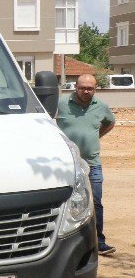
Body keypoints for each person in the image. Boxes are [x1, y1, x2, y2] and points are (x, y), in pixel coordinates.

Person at [56, 73, 116, 255]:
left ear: (95, 89)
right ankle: (64, 246)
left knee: (96, 202)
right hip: (67, 164)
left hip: (93, 163)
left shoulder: (101, 107)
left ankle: (99, 242)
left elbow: (110, 122)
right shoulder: (61, 104)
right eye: (82, 87)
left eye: (90, 88)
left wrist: (95, 136)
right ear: (76, 87)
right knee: (64, 202)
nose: (86, 91)